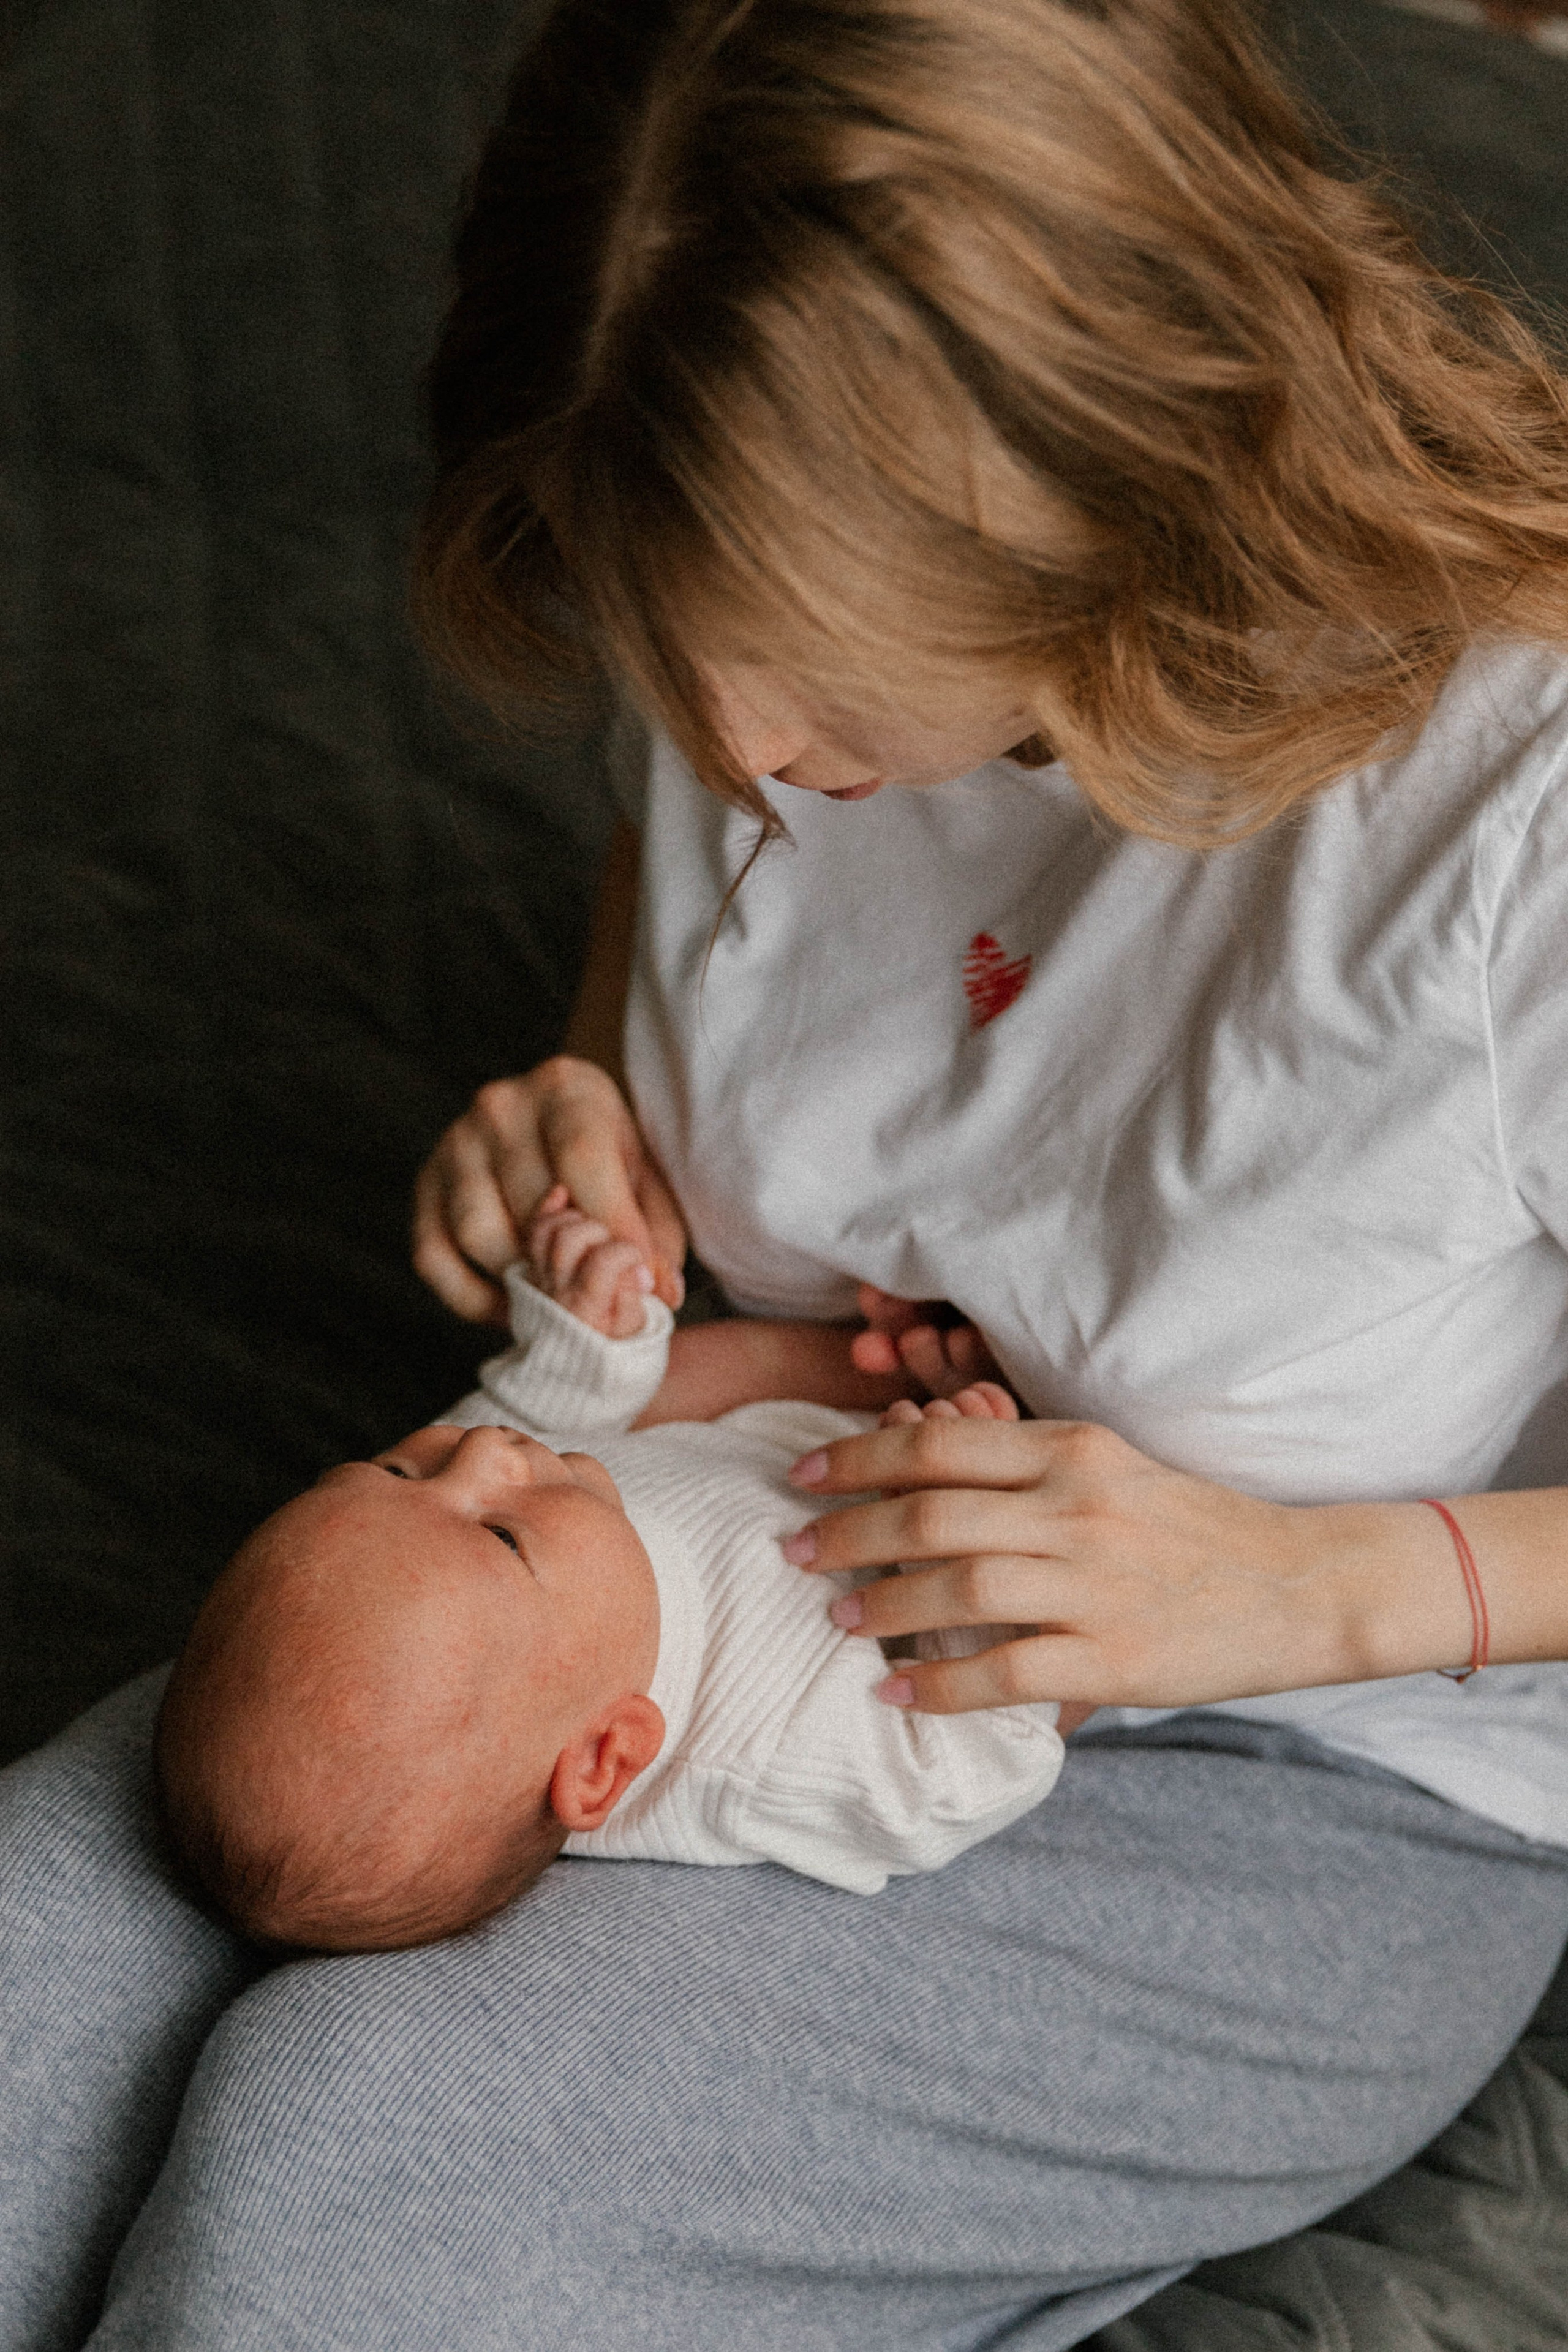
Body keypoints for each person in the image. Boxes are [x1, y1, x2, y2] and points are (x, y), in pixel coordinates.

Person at [4, 4, 1568, 2346]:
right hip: (685, 1547)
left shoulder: (1520, 804)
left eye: (814, 678)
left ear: (1093, 485)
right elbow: (707, 921)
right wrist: (586, 1102)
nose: (728, 748)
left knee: (363, 2179)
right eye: (671, 655)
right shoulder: (728, 607)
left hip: (1298, 1759)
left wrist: (1305, 1587)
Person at [154, 1191, 1061, 1951]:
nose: (479, 1452)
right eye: (503, 1539)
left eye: (395, 1470)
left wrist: (590, 1325)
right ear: (602, 1757)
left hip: (844, 1390)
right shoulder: (763, 1753)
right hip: (1022, 1500)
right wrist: (972, 1536)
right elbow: (970, 1771)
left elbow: (536, 1407)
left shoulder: (505, 1546)